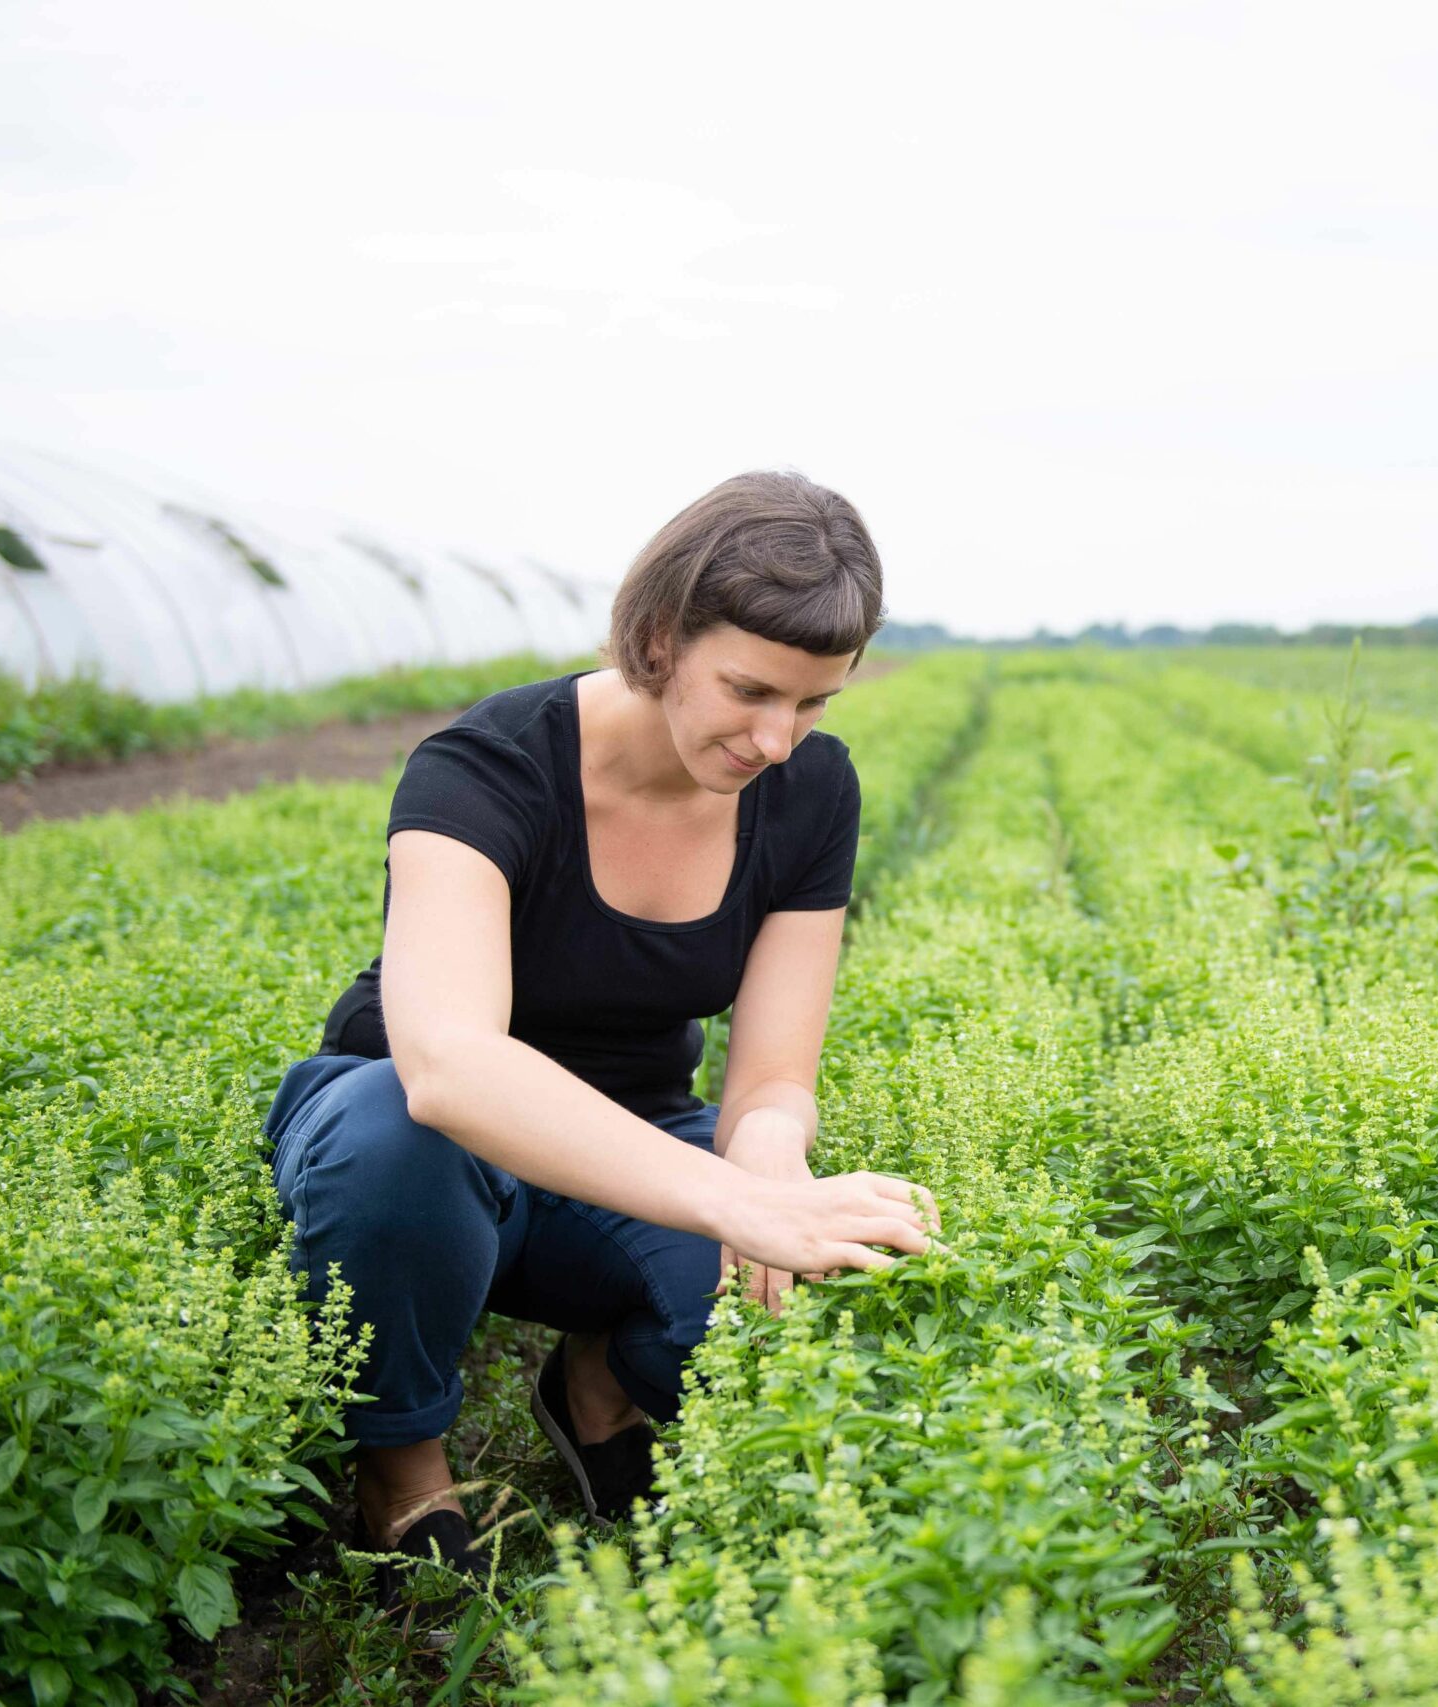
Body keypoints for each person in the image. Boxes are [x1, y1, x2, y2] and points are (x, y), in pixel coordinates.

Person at [262, 470, 938, 1591]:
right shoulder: (489, 766)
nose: (779, 738)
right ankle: (404, 1472)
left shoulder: (812, 791)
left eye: (815, 702)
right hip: (420, 1148)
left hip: (632, 1140)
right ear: (660, 637)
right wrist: (734, 1201)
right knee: (392, 1138)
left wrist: (767, 1152)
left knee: (748, 1337)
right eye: (752, 690)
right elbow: (448, 1068)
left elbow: (771, 1073)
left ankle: (599, 1381)